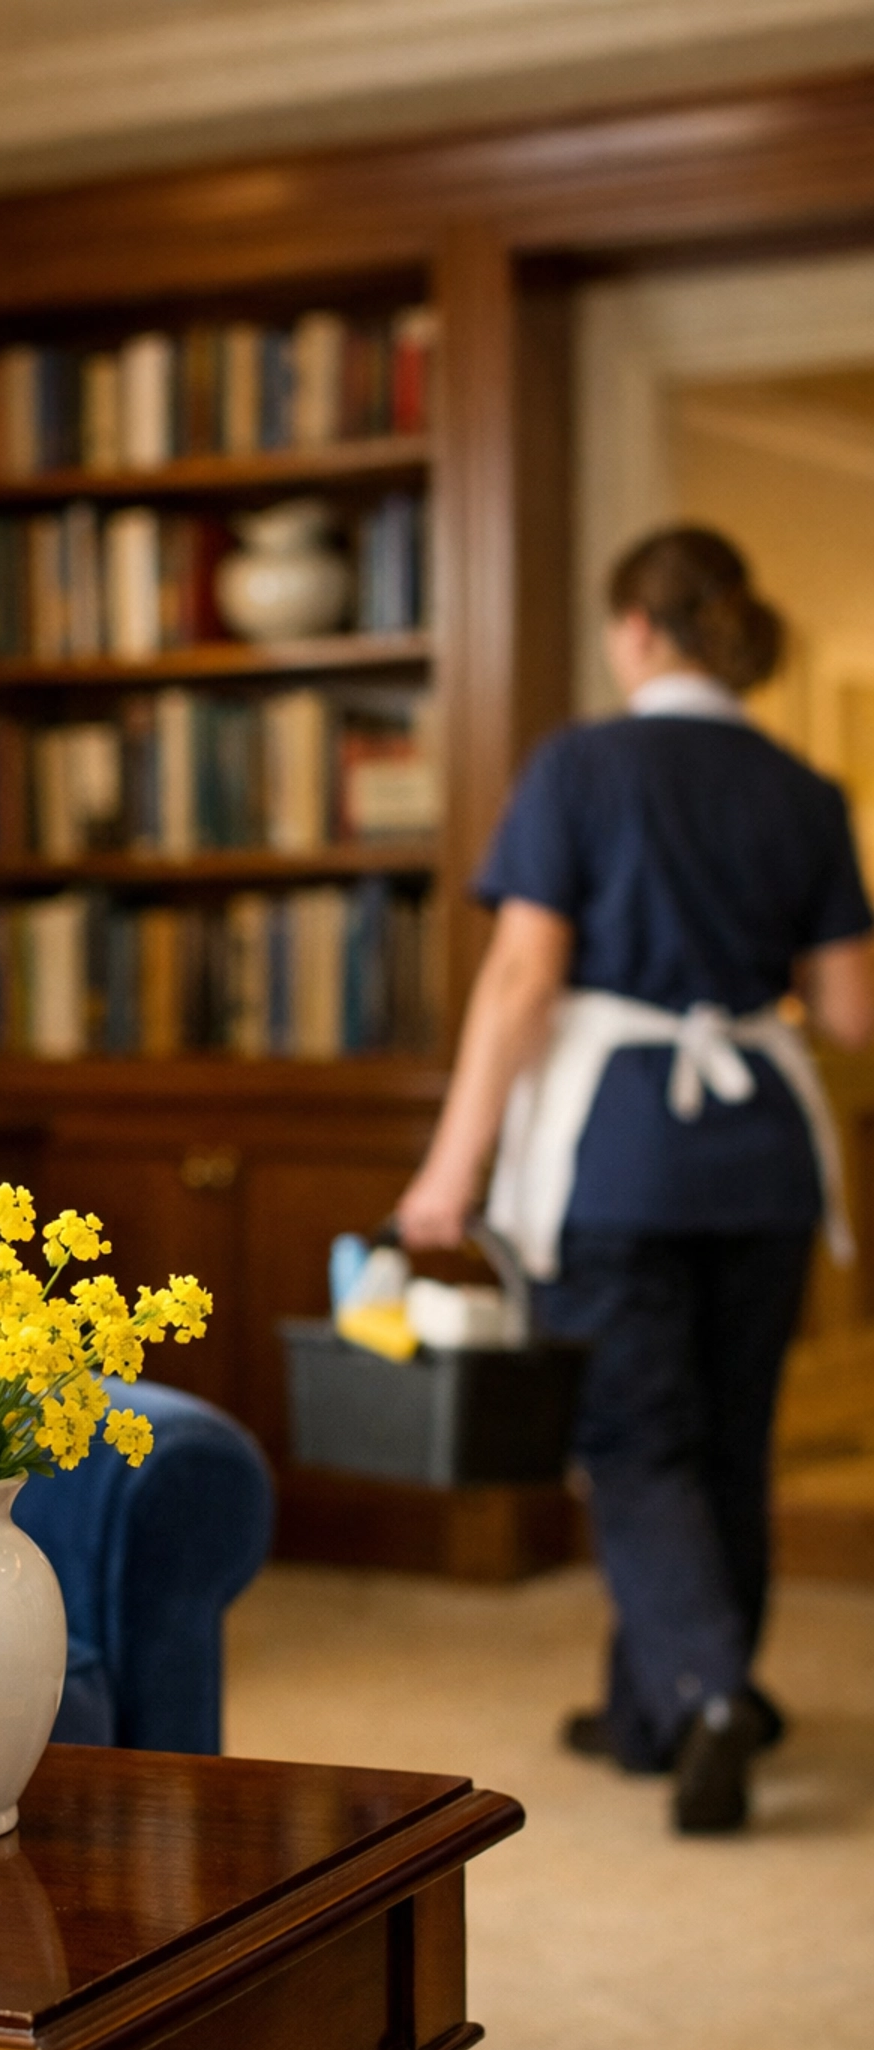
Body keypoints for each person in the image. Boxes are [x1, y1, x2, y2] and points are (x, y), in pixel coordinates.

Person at [396, 525, 874, 1832]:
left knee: (632, 1442)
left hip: (617, 1158)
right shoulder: (805, 790)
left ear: (638, 631)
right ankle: (654, 1705)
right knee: (728, 1438)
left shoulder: (583, 766)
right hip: (765, 1160)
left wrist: (450, 1170)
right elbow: (849, 1011)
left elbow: (521, 978)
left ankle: (708, 1693)